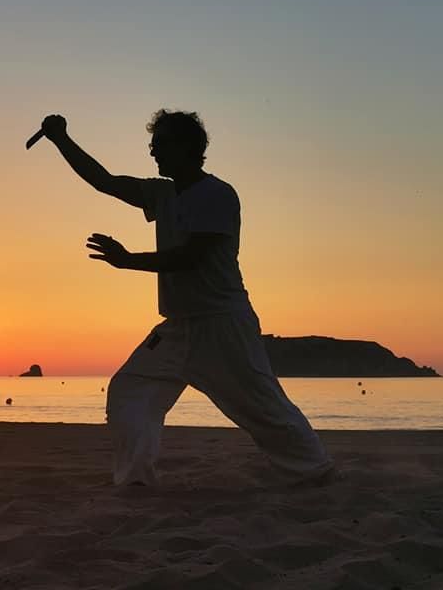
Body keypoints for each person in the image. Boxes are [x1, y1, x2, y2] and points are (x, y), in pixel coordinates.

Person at [40, 109, 336, 486]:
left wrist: (128, 260)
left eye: (159, 144)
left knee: (261, 406)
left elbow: (190, 258)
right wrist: (60, 139)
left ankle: (315, 471)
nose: (153, 153)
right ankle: (135, 479)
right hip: (177, 328)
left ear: (187, 146)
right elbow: (105, 182)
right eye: (153, 145)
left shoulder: (218, 195)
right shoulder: (162, 193)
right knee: (130, 389)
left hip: (222, 324)